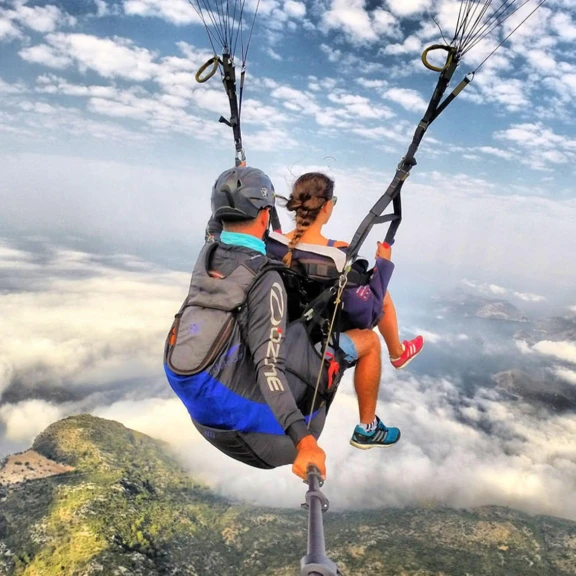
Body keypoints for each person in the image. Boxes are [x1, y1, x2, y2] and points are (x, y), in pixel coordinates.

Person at [164, 166, 399, 484]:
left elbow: (215, 225)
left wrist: (235, 181)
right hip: (262, 433)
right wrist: (304, 442)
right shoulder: (268, 278)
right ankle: (368, 427)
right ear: (265, 216)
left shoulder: (210, 249)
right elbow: (270, 368)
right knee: (368, 341)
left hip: (205, 407)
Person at [269, 171, 424, 370]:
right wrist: (383, 265)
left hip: (277, 328)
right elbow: (368, 313)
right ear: (326, 206)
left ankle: (398, 353)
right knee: (382, 300)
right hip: (316, 341)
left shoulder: (273, 243)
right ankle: (398, 353)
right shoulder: (337, 255)